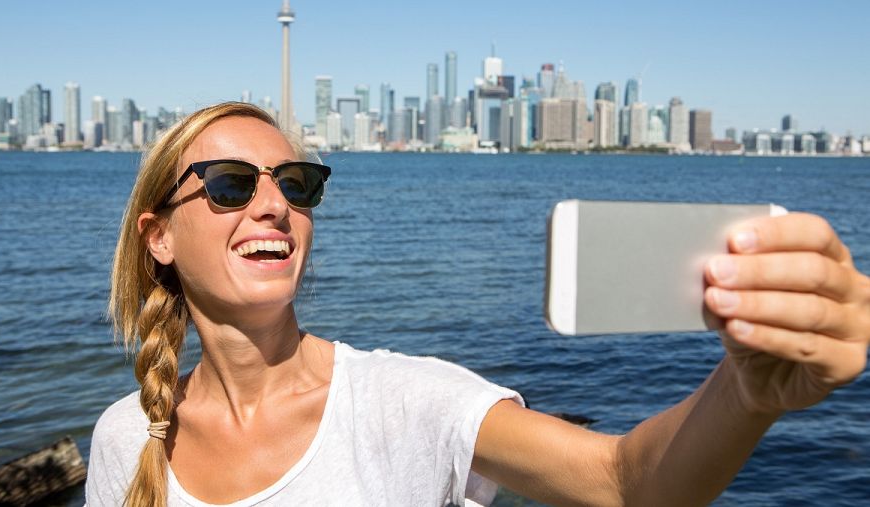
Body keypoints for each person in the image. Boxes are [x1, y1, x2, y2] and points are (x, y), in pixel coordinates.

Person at [85, 102, 870, 507]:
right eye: (230, 184)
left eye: (295, 184)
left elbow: (627, 480)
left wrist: (745, 392)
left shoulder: (403, 401)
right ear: (158, 237)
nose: (272, 205)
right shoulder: (125, 437)